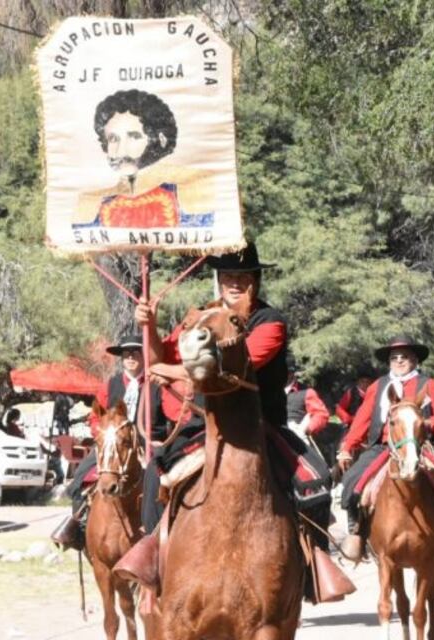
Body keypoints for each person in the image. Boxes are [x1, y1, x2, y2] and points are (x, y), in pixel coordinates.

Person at [125, 242, 343, 599]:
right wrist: (148, 325)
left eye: (242, 277)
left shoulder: (270, 322)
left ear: (255, 281)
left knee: (315, 478)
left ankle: (314, 565)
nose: (234, 283)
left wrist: (168, 370)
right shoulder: (200, 317)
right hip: (205, 424)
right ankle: (152, 553)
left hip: (260, 425)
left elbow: (232, 366)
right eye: (228, 276)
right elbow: (159, 355)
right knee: (155, 471)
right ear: (219, 280)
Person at [336, 335, 434, 561]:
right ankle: (357, 532)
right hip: (384, 446)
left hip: (423, 444)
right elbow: (362, 419)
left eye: (405, 357)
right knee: (352, 482)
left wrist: (425, 424)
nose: (399, 361)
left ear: (415, 361)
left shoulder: (429, 385)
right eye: (394, 357)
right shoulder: (377, 386)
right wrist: (347, 446)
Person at [50, 335, 169, 550]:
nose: (131, 357)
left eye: (136, 353)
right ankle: (79, 527)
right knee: (81, 478)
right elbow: (95, 417)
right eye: (126, 353)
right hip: (113, 443)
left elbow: (171, 415)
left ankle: (167, 531)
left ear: (144, 356)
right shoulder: (111, 385)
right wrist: (103, 433)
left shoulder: (156, 384)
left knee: (167, 479)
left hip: (149, 442)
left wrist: (160, 440)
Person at [74, 89, 212, 228]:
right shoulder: (92, 202)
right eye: (113, 139)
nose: (121, 151)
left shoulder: (193, 185)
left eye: (134, 137)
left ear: (161, 139)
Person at [334, 364, 375, 429]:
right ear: (358, 382)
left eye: (367, 382)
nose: (365, 384)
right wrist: (348, 418)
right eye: (362, 381)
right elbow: (339, 409)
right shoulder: (351, 393)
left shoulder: (374, 394)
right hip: (352, 426)